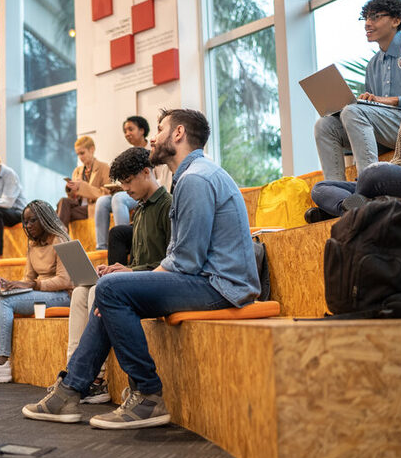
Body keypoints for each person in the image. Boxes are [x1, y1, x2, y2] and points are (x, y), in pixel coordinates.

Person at [22, 108, 259, 429]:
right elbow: (183, 259)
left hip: (220, 286)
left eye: (159, 129)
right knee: (110, 291)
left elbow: (186, 262)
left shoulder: (196, 179)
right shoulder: (191, 176)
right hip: (211, 280)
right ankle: (70, 390)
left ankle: (146, 394)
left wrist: (135, 278)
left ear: (178, 134)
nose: (153, 137)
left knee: (110, 289)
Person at [64, 147, 172, 403]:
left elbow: (171, 262)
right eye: (121, 182)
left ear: (146, 172)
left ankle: (96, 379)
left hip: (159, 281)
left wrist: (129, 271)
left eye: (128, 181)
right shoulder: (142, 209)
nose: (124, 188)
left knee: (101, 291)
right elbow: (139, 260)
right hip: (140, 278)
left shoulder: (167, 206)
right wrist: (118, 268)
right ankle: (74, 372)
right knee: (81, 291)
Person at [309, 30, 401, 219]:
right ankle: (356, 207)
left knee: (374, 173)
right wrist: (394, 171)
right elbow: (400, 157)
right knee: (321, 188)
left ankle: (347, 208)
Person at [313, 0, 401, 182]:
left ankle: (369, 186)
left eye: (375, 17)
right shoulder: (373, 65)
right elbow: (371, 112)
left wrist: (391, 100)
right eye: (366, 18)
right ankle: (336, 190)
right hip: (386, 130)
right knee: (325, 125)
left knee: (354, 112)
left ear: (396, 20)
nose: (367, 23)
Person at [0, 200, 73, 383]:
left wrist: (31, 285)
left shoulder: (60, 239)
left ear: (45, 219)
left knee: (6, 302)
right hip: (42, 291)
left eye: (33, 221)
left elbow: (64, 281)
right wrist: (12, 286)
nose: (28, 226)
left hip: (64, 295)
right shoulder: (32, 244)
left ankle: (2, 364)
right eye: (26, 222)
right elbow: (28, 278)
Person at [93, 116, 150, 250]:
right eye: (125, 130)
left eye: (131, 129)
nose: (127, 133)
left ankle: (125, 242)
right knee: (102, 201)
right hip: (128, 190)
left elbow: (157, 180)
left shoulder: (152, 151)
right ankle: (101, 247)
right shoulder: (129, 153)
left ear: (142, 130)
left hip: (145, 192)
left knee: (119, 198)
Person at [56, 136, 110, 228]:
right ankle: (60, 235)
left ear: (92, 149)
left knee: (60, 213)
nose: (80, 157)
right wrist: (71, 189)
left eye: (82, 153)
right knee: (63, 201)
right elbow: (72, 198)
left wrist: (81, 187)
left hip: (93, 207)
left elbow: (106, 194)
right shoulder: (77, 171)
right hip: (79, 206)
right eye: (78, 154)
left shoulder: (104, 168)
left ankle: (59, 236)